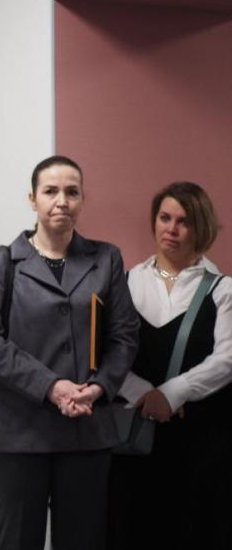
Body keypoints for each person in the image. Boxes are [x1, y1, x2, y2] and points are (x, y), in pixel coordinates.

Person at [0, 155, 138, 550]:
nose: (62, 201)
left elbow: (125, 335)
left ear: (82, 200)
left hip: (88, 430)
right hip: (18, 433)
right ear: (33, 199)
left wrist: (99, 387)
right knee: (18, 541)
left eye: (72, 192)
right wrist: (52, 386)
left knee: (84, 540)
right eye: (50, 191)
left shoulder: (106, 259)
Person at [108, 182, 231, 549]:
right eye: (165, 218)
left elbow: (227, 357)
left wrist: (172, 393)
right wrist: (144, 394)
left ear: (200, 227)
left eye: (183, 221)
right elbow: (105, 353)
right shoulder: (126, 283)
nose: (171, 229)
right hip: (134, 438)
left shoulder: (223, 289)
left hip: (203, 440)